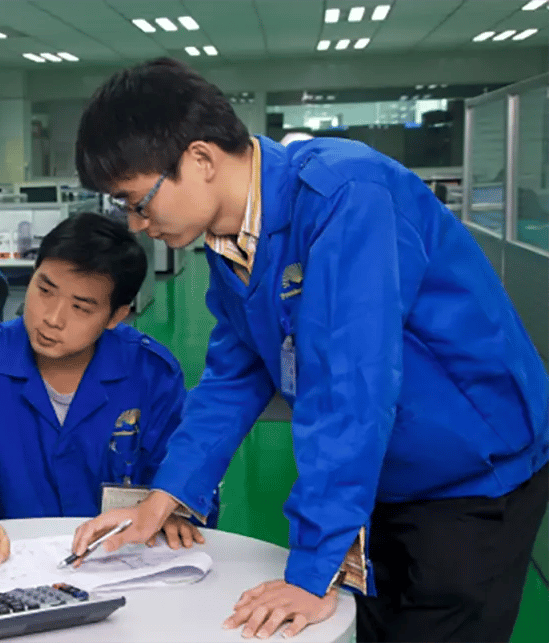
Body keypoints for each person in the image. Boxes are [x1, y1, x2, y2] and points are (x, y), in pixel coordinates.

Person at [70, 57, 548, 642]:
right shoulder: (230, 237)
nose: (136, 223)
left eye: (136, 200)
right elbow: (233, 374)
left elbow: (350, 388)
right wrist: (169, 493)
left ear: (199, 158)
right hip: (380, 478)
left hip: (470, 476)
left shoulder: (347, 195)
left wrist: (313, 569)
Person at [0, 212, 208, 574]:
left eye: (81, 307)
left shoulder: (150, 372)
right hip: (6, 566)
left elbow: (182, 462)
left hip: (116, 564)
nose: (52, 318)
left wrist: (170, 508)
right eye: (44, 290)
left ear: (116, 316)